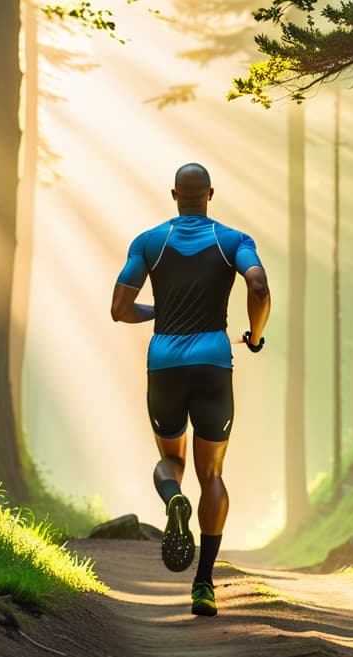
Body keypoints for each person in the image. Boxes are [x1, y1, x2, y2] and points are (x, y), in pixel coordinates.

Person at [110, 162, 271, 617]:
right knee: (213, 474)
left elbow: (119, 309)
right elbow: (257, 285)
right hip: (214, 363)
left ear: (174, 194)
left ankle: (172, 499)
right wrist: (254, 336)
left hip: (164, 364)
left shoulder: (149, 242)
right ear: (211, 194)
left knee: (171, 460)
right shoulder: (234, 241)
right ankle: (204, 584)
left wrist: (158, 314)